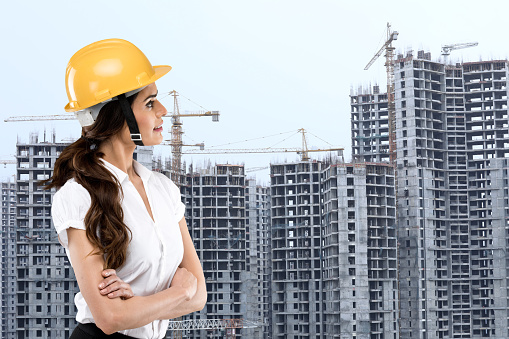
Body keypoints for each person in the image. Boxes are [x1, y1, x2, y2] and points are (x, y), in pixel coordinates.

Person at [45, 38, 207, 338]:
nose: (162, 110)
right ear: (118, 115)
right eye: (149, 102)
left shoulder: (164, 189)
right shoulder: (78, 195)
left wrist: (138, 305)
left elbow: (199, 296)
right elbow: (109, 318)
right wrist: (177, 293)